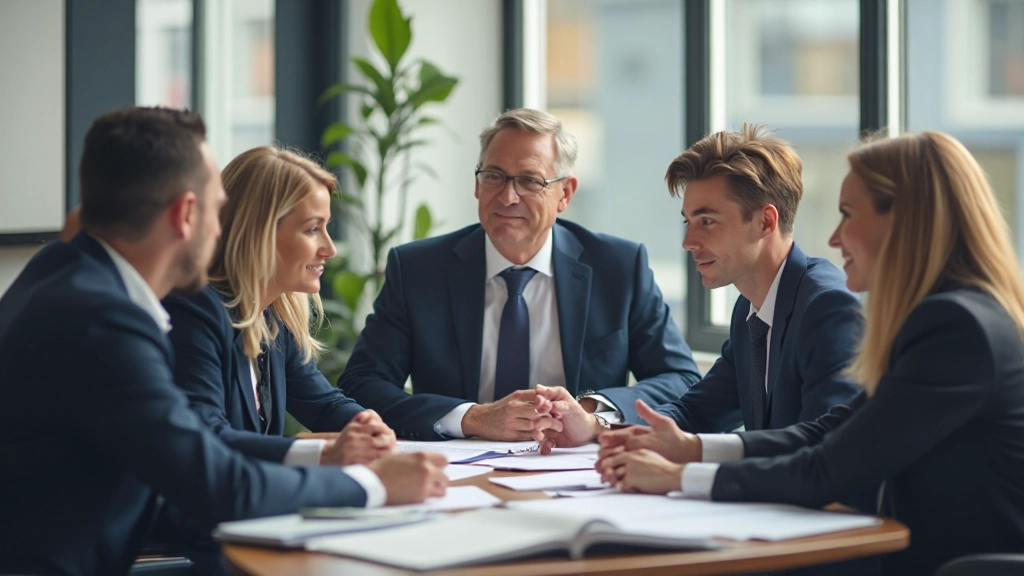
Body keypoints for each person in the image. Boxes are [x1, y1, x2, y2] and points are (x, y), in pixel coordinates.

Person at [0, 107, 447, 576]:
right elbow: (221, 484)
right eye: (218, 209)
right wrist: (372, 484)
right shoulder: (106, 321)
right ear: (187, 214)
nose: (223, 228)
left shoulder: (60, 273)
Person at [596, 131, 1024, 576]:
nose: (835, 238)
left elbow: (830, 469)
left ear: (905, 220)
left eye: (847, 214)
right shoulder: (947, 318)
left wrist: (679, 477)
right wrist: (691, 449)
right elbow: (829, 432)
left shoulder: (955, 328)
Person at [337, 108, 702, 441]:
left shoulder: (617, 267)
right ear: (478, 184)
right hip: (454, 471)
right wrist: (471, 417)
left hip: (577, 471)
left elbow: (680, 379)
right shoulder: (419, 270)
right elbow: (362, 384)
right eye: (494, 176)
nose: (508, 196)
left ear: (565, 193)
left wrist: (593, 412)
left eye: (530, 181)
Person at [533, 125, 862, 454]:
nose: (689, 242)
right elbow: (696, 412)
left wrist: (692, 469)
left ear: (765, 222)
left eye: (707, 221)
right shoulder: (753, 308)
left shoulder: (826, 307)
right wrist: (597, 426)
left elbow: (822, 450)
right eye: (688, 222)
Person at [163, 146, 394, 467]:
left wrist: (365, 424)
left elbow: (323, 405)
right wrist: (322, 454)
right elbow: (206, 437)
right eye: (313, 229)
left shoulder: (273, 316)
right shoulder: (195, 310)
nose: (329, 249)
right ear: (260, 232)